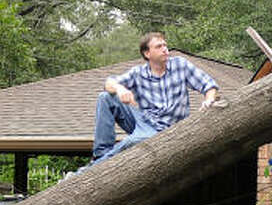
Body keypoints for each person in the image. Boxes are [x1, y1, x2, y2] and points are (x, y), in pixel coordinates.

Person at [90, 31, 218, 164]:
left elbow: (209, 85)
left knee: (132, 142)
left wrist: (209, 99)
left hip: (166, 130)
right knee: (106, 97)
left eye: (165, 45)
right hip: (145, 121)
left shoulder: (180, 65)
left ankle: (89, 170)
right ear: (147, 53)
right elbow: (108, 83)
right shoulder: (139, 72)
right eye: (159, 46)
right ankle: (101, 155)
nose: (165, 49)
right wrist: (120, 89)